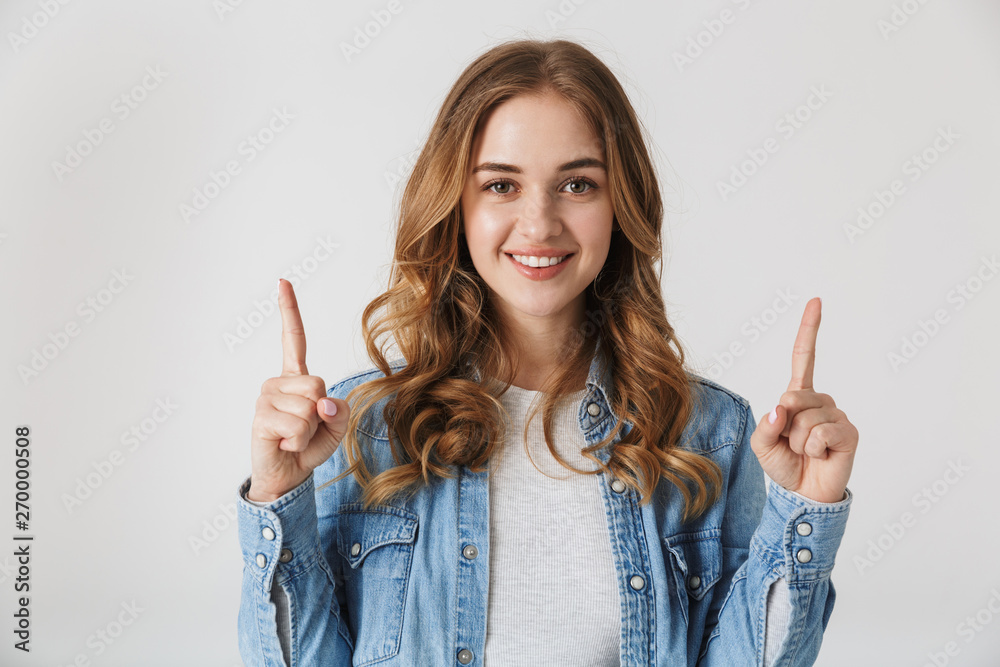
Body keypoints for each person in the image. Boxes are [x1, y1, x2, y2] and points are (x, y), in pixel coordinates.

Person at [236, 38, 858, 666]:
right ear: (456, 205)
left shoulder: (709, 432)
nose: (539, 224)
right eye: (501, 184)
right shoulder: (358, 425)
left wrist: (803, 512)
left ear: (622, 205)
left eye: (578, 184)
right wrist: (276, 499)